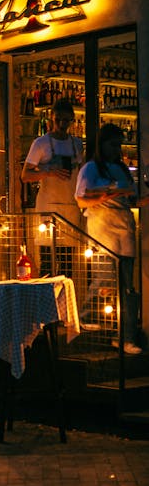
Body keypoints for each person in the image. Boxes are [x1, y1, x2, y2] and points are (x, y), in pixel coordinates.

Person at [75, 123, 148, 354]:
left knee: (127, 288)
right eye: (113, 144)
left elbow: (133, 200)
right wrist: (107, 194)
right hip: (102, 230)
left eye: (119, 145)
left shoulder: (123, 169)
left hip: (124, 230)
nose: (117, 149)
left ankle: (125, 337)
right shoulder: (90, 169)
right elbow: (81, 199)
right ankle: (87, 316)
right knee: (104, 279)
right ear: (102, 144)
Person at [21, 98, 84, 274]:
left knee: (67, 264)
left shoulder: (77, 145)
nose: (62, 124)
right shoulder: (41, 143)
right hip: (47, 208)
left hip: (70, 207)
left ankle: (64, 300)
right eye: (59, 120)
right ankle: (46, 300)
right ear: (51, 118)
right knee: (47, 263)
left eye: (67, 120)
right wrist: (48, 171)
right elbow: (25, 175)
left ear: (72, 119)